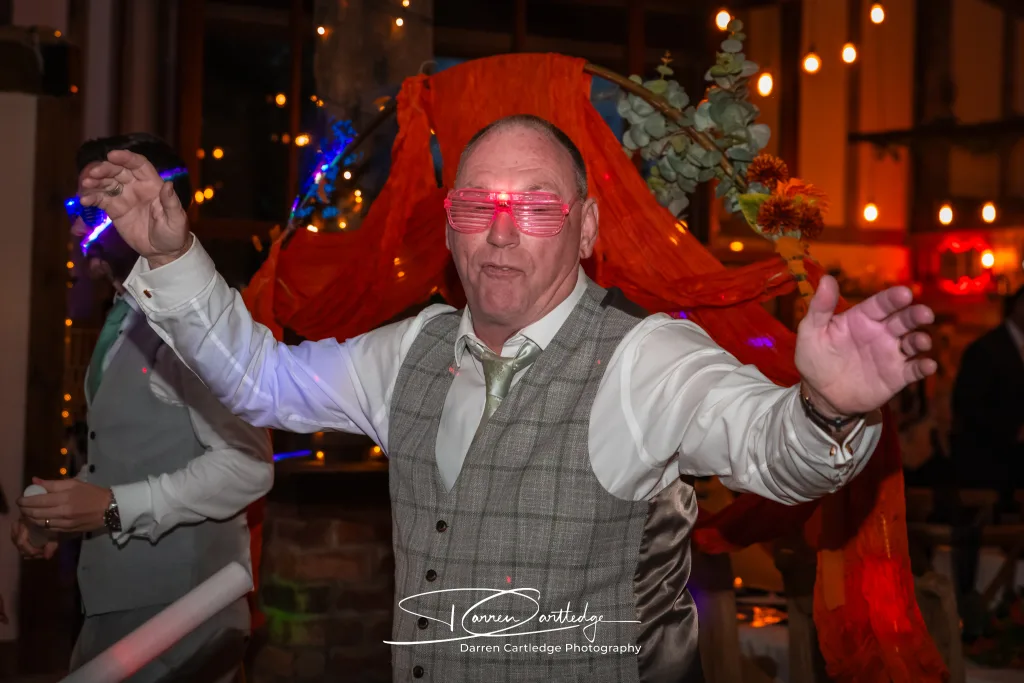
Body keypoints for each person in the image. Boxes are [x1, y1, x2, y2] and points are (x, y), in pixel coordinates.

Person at [80, 115, 935, 683]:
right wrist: (173, 257)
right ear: (449, 224)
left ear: (588, 228)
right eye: (476, 204)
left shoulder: (644, 358)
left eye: (535, 206)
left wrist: (826, 407)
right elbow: (260, 380)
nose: (497, 230)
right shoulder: (409, 348)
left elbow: (767, 446)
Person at [11, 133, 273, 682]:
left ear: (154, 204)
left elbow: (248, 466)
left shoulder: (199, 326)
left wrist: (111, 507)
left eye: (94, 209)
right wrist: (58, 516)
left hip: (183, 615)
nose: (79, 227)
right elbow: (126, 458)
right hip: (119, 605)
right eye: (76, 209)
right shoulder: (124, 318)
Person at [951, 286, 1024, 508]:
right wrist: (1015, 430)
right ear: (1018, 306)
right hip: (992, 463)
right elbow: (966, 406)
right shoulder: (986, 349)